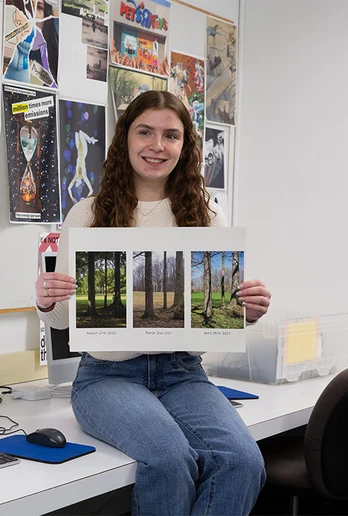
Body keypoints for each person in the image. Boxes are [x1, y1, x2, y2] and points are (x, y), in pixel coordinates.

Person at [35, 90, 271, 515]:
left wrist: (247, 311)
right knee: (169, 459)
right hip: (107, 377)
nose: (157, 146)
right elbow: (64, 317)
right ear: (125, 137)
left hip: (183, 374)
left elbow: (220, 311)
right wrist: (47, 299)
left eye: (171, 135)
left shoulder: (207, 217)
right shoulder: (87, 215)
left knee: (243, 462)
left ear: (185, 146)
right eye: (145, 132)